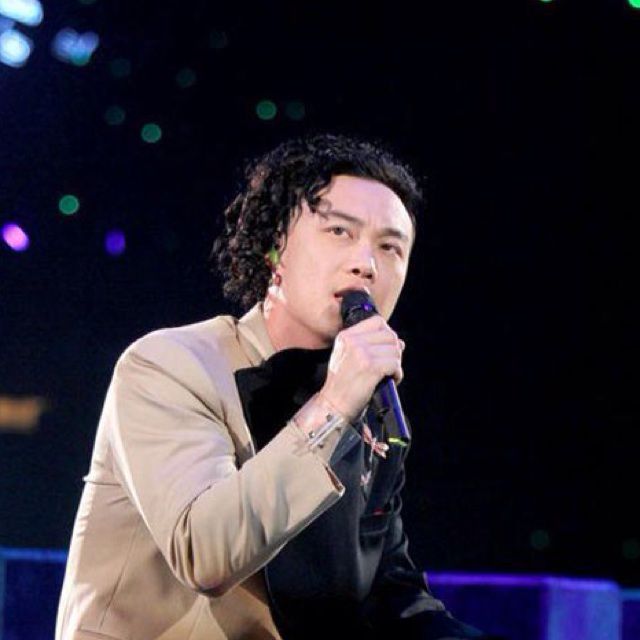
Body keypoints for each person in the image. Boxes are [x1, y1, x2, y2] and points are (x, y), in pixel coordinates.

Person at [56, 133, 495, 639]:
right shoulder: (170, 365)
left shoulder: (371, 410)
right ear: (274, 248)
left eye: (390, 247)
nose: (366, 263)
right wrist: (333, 407)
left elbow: (386, 590)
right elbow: (203, 552)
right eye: (339, 231)